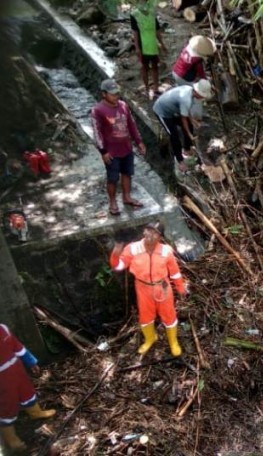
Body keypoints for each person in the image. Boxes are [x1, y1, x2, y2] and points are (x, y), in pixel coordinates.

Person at [110, 221, 187, 357]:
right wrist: (116, 253)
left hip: (162, 286)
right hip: (142, 287)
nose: (150, 234)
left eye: (154, 233)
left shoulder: (166, 251)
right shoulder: (132, 249)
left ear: (160, 237)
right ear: (144, 231)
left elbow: (174, 272)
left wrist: (180, 288)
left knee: (169, 314)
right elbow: (118, 266)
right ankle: (150, 338)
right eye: (148, 230)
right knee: (145, 316)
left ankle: (173, 342)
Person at [91, 79, 147, 216]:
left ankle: (126, 197)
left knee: (127, 173)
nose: (116, 96)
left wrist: (139, 141)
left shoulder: (123, 106)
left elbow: (131, 125)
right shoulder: (97, 110)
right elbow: (97, 133)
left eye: (117, 94)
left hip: (126, 147)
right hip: (111, 151)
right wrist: (103, 151)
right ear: (104, 94)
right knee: (112, 178)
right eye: (112, 94)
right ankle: (113, 202)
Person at [0, 323, 56, 451]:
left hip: (16, 369)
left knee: (26, 391)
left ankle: (35, 412)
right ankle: (10, 437)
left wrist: (30, 362)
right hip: (2, 380)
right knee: (7, 405)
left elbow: (18, 347)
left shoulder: (3, 329)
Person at [152, 80, 213, 173]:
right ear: (197, 92)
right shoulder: (186, 98)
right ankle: (180, 160)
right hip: (162, 111)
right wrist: (189, 134)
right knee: (174, 136)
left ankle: (187, 149)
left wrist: (192, 120)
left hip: (173, 110)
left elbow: (185, 110)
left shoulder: (190, 92)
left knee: (189, 125)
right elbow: (183, 118)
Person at [130, 0, 167, 100]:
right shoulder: (134, 14)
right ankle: (146, 89)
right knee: (144, 67)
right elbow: (135, 33)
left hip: (152, 44)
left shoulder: (151, 12)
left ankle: (156, 88)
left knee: (155, 66)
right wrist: (137, 47)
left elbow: (157, 30)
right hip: (143, 45)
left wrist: (162, 44)